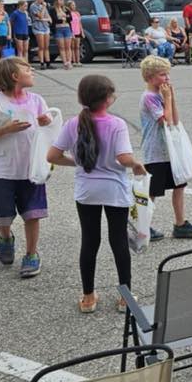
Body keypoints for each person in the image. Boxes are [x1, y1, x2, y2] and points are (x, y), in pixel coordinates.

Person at [47, 75, 146, 313]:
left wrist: (79, 163)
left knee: (90, 241)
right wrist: (136, 164)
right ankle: (125, 296)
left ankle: (89, 296)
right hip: (114, 189)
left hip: (87, 190)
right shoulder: (116, 124)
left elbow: (52, 156)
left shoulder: (73, 124)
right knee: (119, 241)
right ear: (108, 99)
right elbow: (123, 157)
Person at [0, 57, 52, 277]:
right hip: (3, 169)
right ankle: (5, 236)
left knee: (33, 214)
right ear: (14, 76)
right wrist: (5, 130)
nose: (32, 71)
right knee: (3, 215)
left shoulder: (37, 100)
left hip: (31, 169)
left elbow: (50, 130)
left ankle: (31, 254)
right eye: (27, 68)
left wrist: (47, 123)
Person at [138, 56, 192, 241]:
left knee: (179, 185)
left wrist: (171, 98)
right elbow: (164, 121)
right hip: (156, 152)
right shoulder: (149, 97)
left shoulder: (160, 95)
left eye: (167, 74)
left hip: (169, 151)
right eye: (162, 74)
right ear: (150, 77)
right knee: (152, 191)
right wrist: (167, 98)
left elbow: (174, 119)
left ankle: (180, 223)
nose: (167, 78)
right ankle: (144, 226)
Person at [29, 0, 52, 69]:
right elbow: (40, 16)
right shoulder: (33, 6)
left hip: (45, 27)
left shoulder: (43, 6)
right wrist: (44, 7)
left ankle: (48, 62)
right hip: (38, 27)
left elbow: (48, 17)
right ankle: (42, 63)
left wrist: (48, 19)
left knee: (46, 46)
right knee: (41, 46)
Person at [52, 0, 73, 69]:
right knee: (62, 47)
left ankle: (69, 62)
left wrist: (64, 18)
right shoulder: (53, 9)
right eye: (60, 0)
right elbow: (55, 20)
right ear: (57, 0)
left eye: (63, 0)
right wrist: (64, 19)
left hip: (67, 28)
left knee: (68, 47)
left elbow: (70, 18)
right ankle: (65, 62)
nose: (62, 1)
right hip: (58, 29)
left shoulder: (66, 9)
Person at [68, 0, 84, 66]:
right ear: (69, 6)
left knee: (77, 47)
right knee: (72, 47)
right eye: (72, 5)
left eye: (74, 5)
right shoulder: (69, 14)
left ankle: (78, 61)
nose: (74, 6)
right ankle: (73, 61)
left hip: (77, 31)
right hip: (72, 31)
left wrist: (82, 32)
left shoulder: (77, 13)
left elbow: (80, 23)